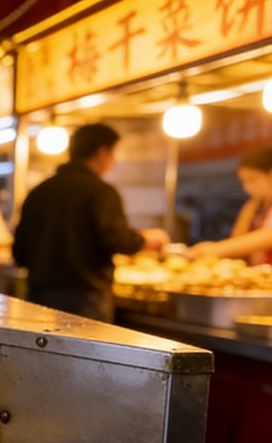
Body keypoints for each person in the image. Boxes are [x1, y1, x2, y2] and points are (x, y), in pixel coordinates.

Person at [13, 123, 168, 322]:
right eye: (114, 153)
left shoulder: (38, 192)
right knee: (83, 353)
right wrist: (145, 239)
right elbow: (116, 239)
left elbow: (19, 252)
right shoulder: (101, 192)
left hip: (38, 296)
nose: (114, 161)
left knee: (44, 353)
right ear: (103, 152)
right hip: (85, 299)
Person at [188, 148, 272, 265]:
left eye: (252, 180)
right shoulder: (262, 203)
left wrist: (218, 249)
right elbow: (238, 235)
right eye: (244, 181)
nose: (247, 187)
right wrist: (250, 207)